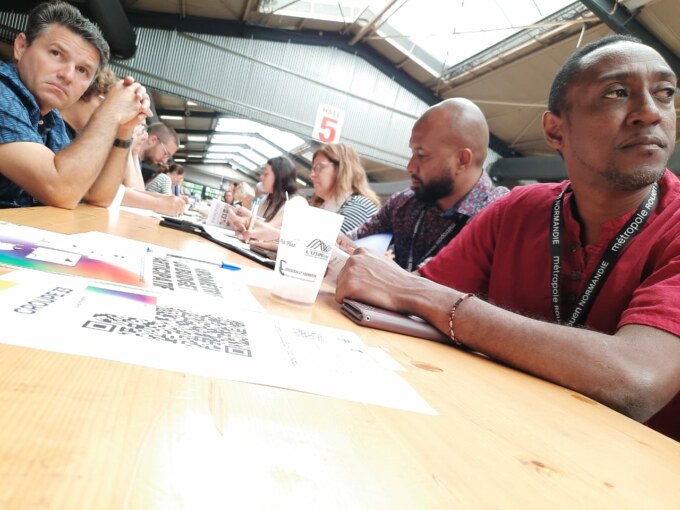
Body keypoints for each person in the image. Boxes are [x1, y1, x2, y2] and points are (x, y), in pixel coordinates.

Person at [336, 35, 680, 441]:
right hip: (496, 438)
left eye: (665, 93)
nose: (649, 112)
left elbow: (635, 379)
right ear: (555, 130)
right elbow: (406, 303)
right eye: (617, 92)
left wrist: (428, 298)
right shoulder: (516, 210)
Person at [0, 0, 151, 209]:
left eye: (82, 70)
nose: (68, 75)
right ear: (21, 47)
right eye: (56, 54)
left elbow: (97, 195)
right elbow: (61, 190)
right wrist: (110, 111)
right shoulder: (3, 94)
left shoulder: (51, 119)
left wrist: (124, 127)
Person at [341, 98, 508, 270]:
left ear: (462, 160)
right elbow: (352, 240)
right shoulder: (405, 203)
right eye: (412, 153)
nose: (410, 166)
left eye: (422, 155)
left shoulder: (498, 217)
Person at [309, 144, 380, 234]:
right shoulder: (327, 205)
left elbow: (322, 244)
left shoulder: (359, 206)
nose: (312, 175)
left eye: (319, 167)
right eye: (313, 169)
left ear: (342, 168)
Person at [228, 156, 299, 231]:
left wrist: (248, 217)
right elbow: (254, 216)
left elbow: (267, 230)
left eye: (266, 174)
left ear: (280, 176)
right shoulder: (266, 199)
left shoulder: (296, 202)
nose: (261, 177)